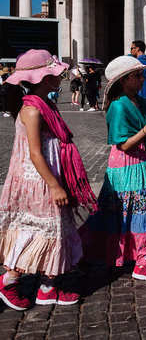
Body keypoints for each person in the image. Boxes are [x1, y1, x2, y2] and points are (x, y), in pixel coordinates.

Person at [0, 50, 96, 310]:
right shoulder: (32, 109)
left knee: (55, 230)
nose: (60, 77)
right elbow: (34, 152)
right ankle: (9, 282)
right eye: (54, 74)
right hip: (38, 180)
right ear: (42, 78)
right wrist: (53, 185)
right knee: (38, 232)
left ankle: (47, 287)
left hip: (49, 175)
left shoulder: (44, 104)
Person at [80, 56, 146, 282]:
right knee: (136, 211)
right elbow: (123, 143)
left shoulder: (137, 100)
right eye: (137, 76)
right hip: (127, 165)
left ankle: (121, 255)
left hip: (138, 162)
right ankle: (142, 263)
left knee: (129, 212)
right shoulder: (119, 106)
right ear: (124, 80)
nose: (142, 79)